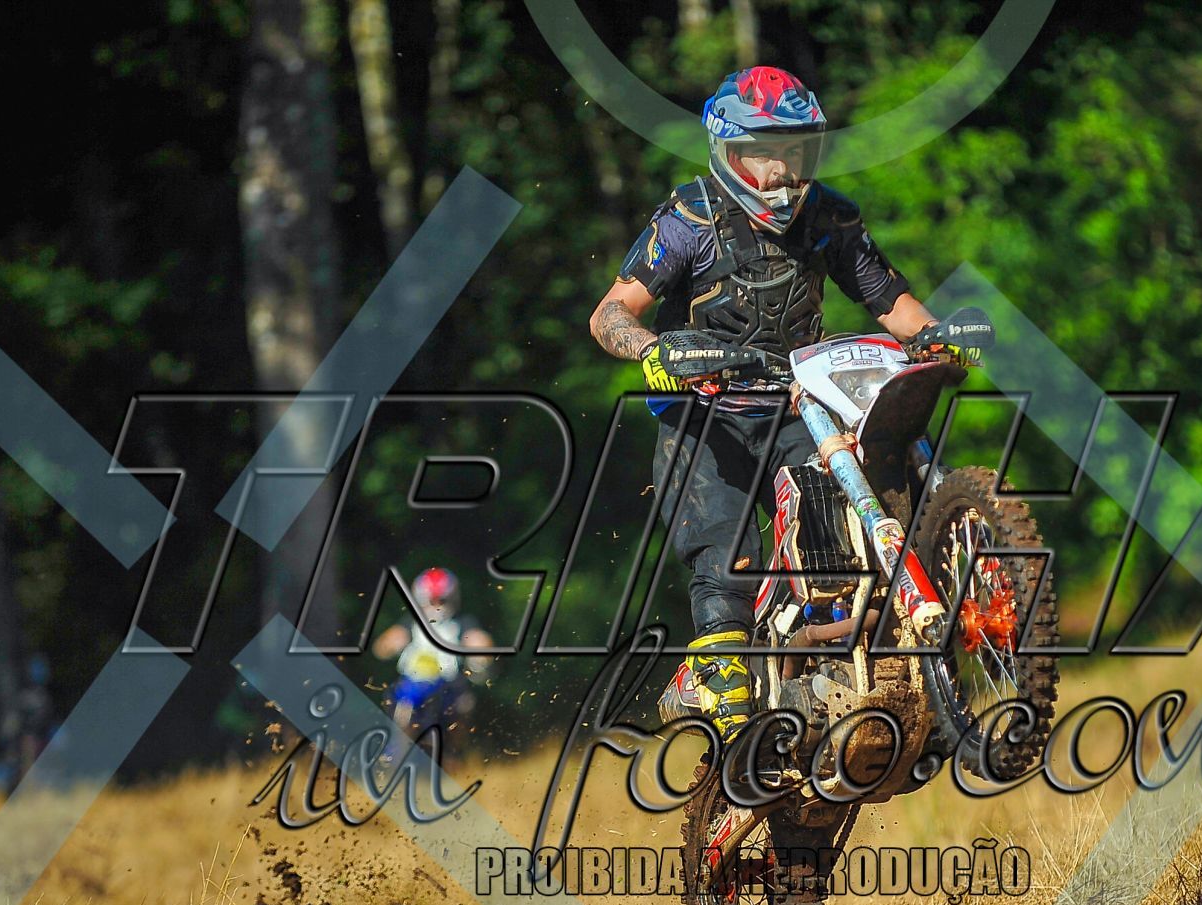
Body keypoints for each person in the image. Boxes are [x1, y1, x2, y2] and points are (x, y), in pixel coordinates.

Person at [588, 65, 990, 743]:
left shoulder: (829, 216)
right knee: (726, 561)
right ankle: (726, 704)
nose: (782, 171)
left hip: (801, 406)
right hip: (705, 414)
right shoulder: (689, 218)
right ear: (728, 152)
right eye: (765, 154)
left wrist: (935, 337)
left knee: (843, 531)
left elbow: (890, 300)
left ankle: (865, 665)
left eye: (796, 152)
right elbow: (610, 313)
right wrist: (652, 351)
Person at [370, 567, 494, 763]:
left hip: (450, 686)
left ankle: (456, 753)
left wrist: (480, 649)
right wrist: (390, 644)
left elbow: (479, 640)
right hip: (413, 686)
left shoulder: (462, 623)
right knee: (404, 705)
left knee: (464, 705)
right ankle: (397, 755)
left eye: (442, 600)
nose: (437, 605)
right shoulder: (410, 624)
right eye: (432, 600)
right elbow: (381, 647)